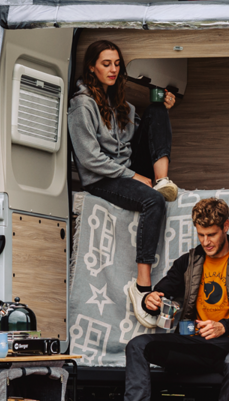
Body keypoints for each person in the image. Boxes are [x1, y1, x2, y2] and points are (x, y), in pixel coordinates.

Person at [105, 197, 229, 401]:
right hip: (194, 343)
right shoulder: (190, 261)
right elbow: (162, 292)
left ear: (225, 227)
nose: (206, 241)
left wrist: (223, 327)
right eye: (201, 234)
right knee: (138, 346)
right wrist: (151, 299)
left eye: (211, 234)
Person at [67, 39, 182, 323]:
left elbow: (143, 136)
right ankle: (142, 286)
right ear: (92, 68)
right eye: (106, 64)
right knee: (152, 200)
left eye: (117, 64)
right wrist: (136, 177)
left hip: (127, 167)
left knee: (156, 109)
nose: (114, 69)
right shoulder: (82, 105)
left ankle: (163, 178)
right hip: (102, 178)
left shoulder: (119, 102)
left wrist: (164, 106)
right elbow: (90, 159)